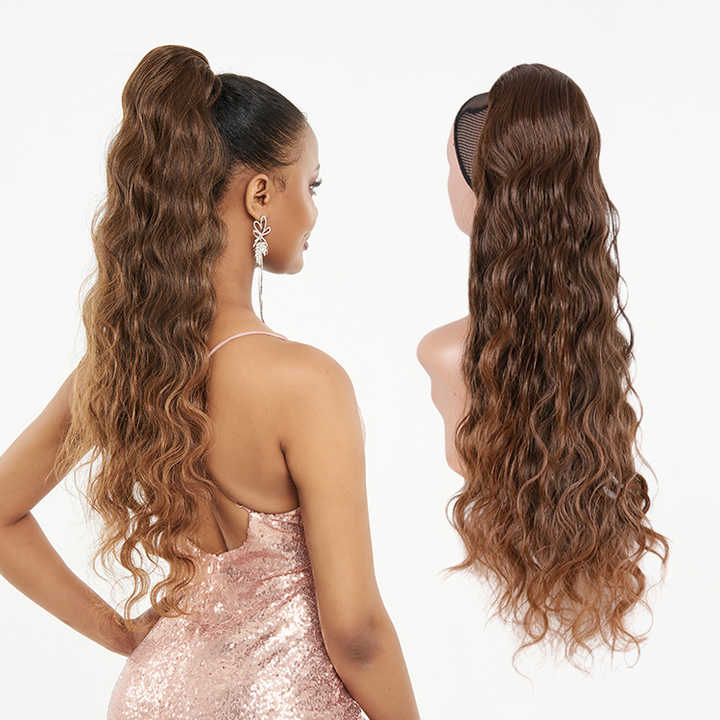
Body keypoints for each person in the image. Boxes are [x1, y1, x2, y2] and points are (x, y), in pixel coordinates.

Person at [0, 44, 420, 720]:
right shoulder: (306, 384)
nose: (314, 213)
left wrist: (126, 638)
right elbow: (356, 634)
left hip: (152, 696)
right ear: (261, 194)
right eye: (310, 186)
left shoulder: (126, 365)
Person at [417, 63, 670, 671]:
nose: (446, 182)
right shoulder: (598, 351)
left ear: (480, 187)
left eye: (451, 167)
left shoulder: (444, 355)